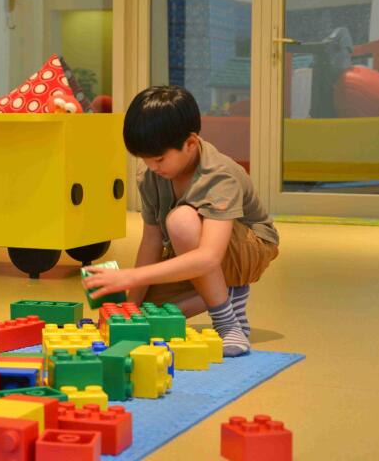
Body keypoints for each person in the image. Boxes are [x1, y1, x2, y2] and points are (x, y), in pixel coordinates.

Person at [82, 86, 279, 356]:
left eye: (159, 159)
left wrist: (129, 276)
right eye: (145, 160)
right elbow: (151, 241)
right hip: (192, 251)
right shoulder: (151, 174)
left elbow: (209, 257)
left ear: (190, 143)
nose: (153, 167)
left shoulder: (219, 175)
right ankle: (228, 293)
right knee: (152, 315)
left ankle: (227, 323)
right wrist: (130, 309)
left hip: (247, 249)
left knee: (181, 220)